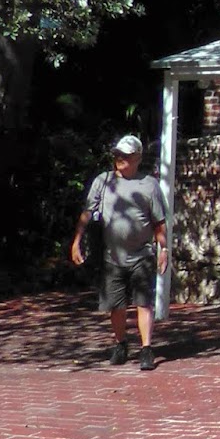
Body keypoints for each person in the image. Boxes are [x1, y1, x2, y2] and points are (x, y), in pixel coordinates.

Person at [70, 135, 168, 370]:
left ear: (137, 157)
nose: (120, 158)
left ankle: (146, 349)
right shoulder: (103, 182)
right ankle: (121, 344)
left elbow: (159, 222)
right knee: (116, 305)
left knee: (144, 302)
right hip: (111, 255)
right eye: (117, 154)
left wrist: (163, 249)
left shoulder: (149, 185)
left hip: (142, 254)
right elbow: (88, 212)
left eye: (125, 155)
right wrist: (77, 241)